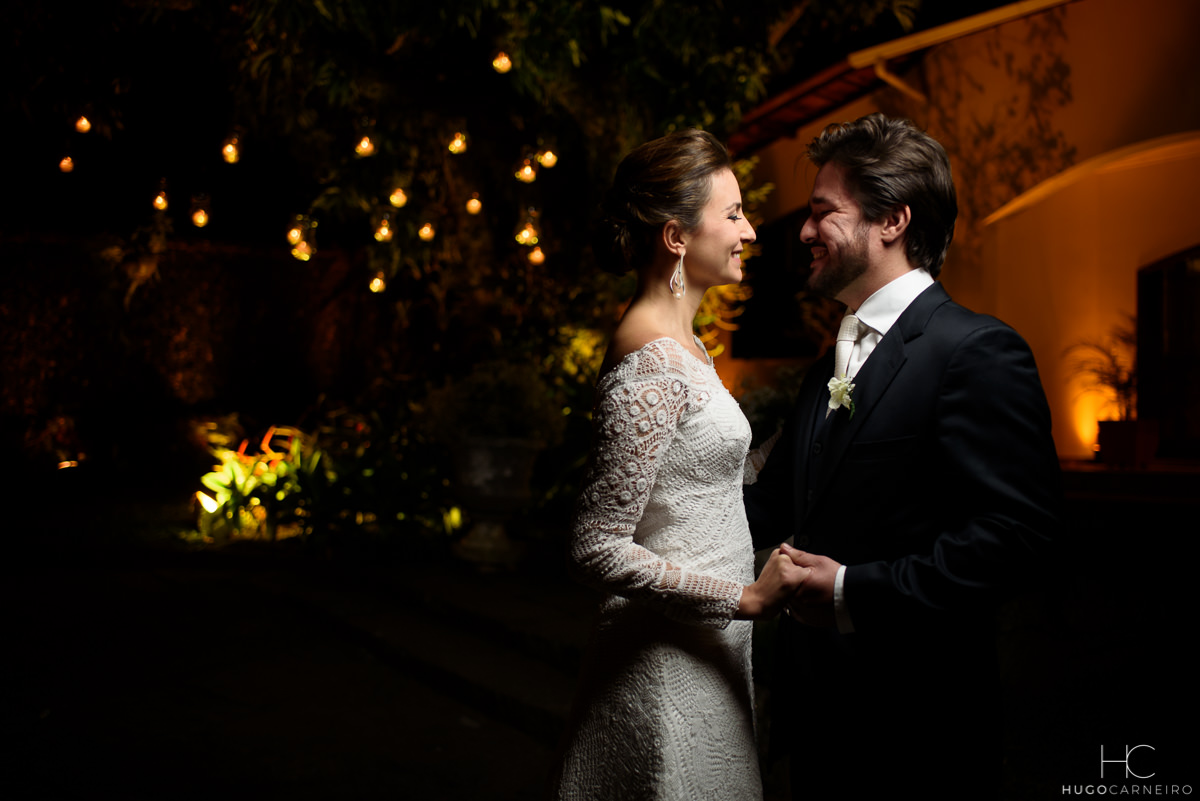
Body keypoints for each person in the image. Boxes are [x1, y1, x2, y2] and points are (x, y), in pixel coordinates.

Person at [744, 113, 1062, 800]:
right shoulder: (825, 364)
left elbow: (1018, 538)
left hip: (919, 731)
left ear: (891, 220)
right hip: (816, 721)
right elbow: (772, 505)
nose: (803, 231)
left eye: (822, 212)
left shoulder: (975, 351)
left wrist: (851, 591)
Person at [547, 129, 809, 801]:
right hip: (663, 661)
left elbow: (701, 478)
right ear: (676, 237)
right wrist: (741, 598)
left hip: (708, 654)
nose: (750, 230)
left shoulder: (685, 344)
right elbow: (593, 545)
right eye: (733, 213)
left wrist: (814, 426)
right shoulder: (650, 356)